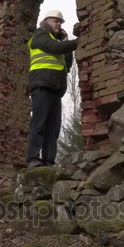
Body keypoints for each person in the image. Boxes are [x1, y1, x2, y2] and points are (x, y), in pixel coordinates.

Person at [26, 9, 78, 168]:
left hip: (55, 89)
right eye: (56, 21)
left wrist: (67, 40)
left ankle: (48, 161)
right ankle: (33, 158)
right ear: (46, 21)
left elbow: (67, 65)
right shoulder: (40, 35)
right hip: (41, 86)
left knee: (53, 129)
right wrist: (78, 42)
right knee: (39, 124)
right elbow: (54, 48)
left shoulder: (57, 42)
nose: (59, 24)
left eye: (61, 22)